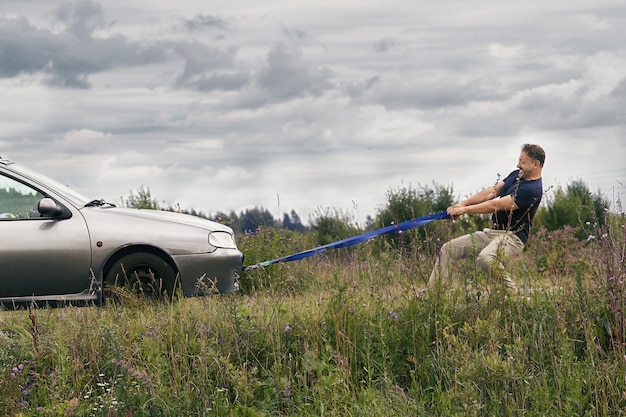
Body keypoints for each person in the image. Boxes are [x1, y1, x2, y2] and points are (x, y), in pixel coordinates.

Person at [429, 144, 545, 291]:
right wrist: (461, 204)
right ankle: (433, 298)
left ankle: (517, 298)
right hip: (491, 233)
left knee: (486, 259)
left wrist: (465, 210)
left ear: (535, 164)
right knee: (448, 249)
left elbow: (495, 205)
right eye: (519, 160)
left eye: (522, 162)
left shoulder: (532, 190)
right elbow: (491, 192)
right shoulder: (516, 174)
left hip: (512, 237)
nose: (518, 165)